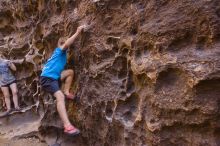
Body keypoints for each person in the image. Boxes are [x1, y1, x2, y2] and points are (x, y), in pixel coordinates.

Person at [40, 25, 86, 136]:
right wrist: (77, 32)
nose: (66, 46)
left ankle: (66, 91)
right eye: (63, 43)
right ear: (60, 45)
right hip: (48, 78)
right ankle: (67, 126)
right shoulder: (59, 51)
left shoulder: (60, 56)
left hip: (54, 77)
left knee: (70, 72)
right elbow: (66, 44)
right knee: (59, 97)